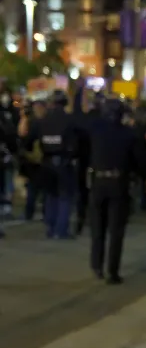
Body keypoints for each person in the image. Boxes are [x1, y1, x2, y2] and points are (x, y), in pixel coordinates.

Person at [85, 98, 146, 284]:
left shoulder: (95, 130)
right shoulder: (128, 134)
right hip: (118, 183)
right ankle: (112, 271)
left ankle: (97, 265)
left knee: (98, 228)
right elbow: (139, 161)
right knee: (116, 230)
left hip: (97, 181)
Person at [26, 91, 78, 239]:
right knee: (64, 196)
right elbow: (76, 143)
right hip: (63, 161)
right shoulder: (69, 120)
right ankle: (61, 231)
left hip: (46, 161)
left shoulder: (42, 121)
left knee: (51, 195)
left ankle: (50, 227)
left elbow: (29, 141)